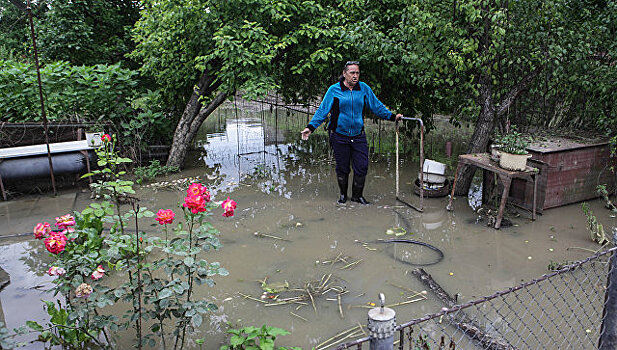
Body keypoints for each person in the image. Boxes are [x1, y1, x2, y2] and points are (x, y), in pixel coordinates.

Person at [301, 61, 402, 205]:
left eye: (357, 73)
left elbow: (376, 106)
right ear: (344, 74)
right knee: (342, 167)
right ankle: (343, 195)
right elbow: (323, 111)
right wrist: (310, 128)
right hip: (339, 135)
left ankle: (357, 196)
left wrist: (393, 117)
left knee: (362, 166)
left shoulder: (364, 88)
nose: (355, 76)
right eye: (352, 73)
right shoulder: (334, 90)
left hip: (358, 135)